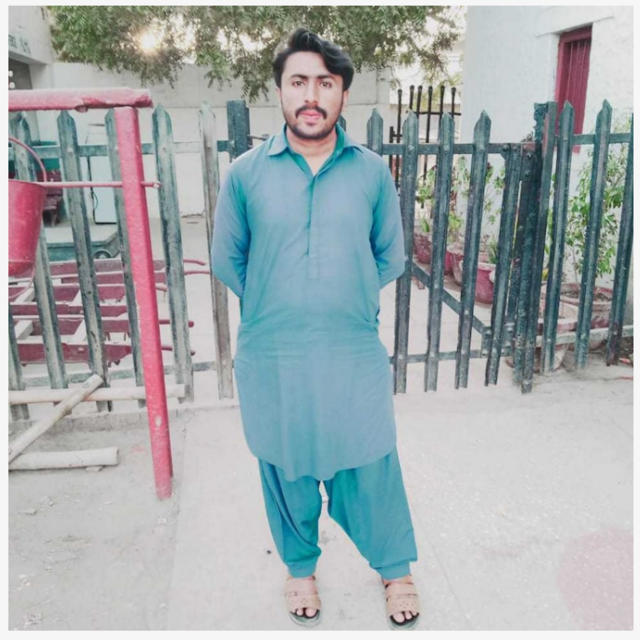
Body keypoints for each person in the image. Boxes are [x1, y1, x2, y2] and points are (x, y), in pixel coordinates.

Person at [211, 28, 420, 630]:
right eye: (298, 81)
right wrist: (278, 303)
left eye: (325, 83)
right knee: (286, 464)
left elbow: (390, 255)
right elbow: (228, 259)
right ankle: (300, 568)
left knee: (371, 459)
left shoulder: (371, 173)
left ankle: (395, 569)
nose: (311, 95)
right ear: (279, 91)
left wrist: (340, 299)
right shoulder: (245, 175)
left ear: (342, 95)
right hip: (273, 352)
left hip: (351, 348)